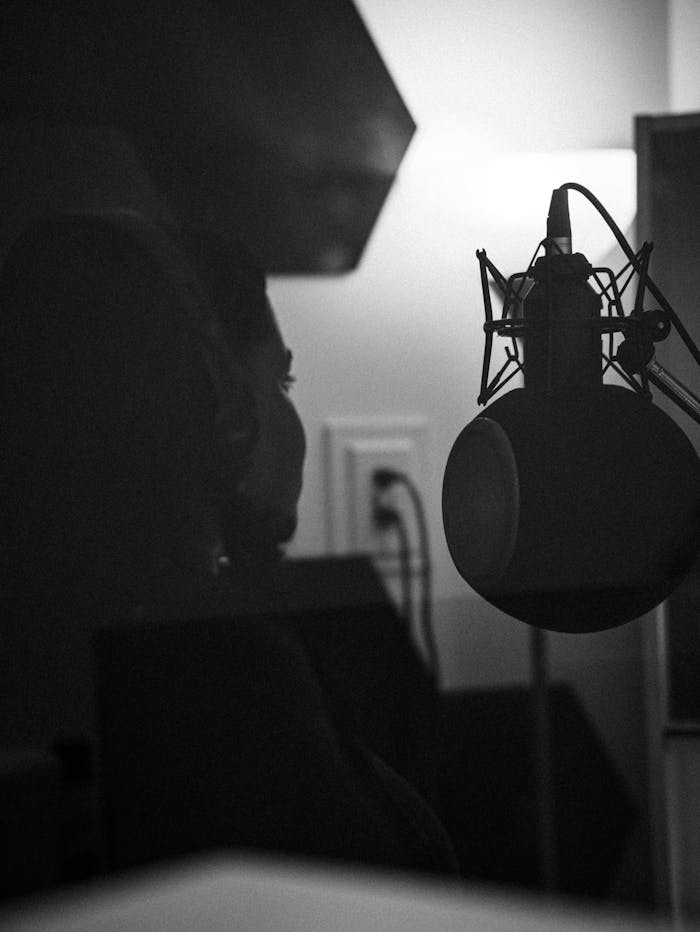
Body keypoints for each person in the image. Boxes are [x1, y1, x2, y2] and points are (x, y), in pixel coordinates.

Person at [0, 211, 458, 880]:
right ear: (223, 411)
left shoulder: (41, 638)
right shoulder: (216, 665)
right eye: (280, 382)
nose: (289, 417)